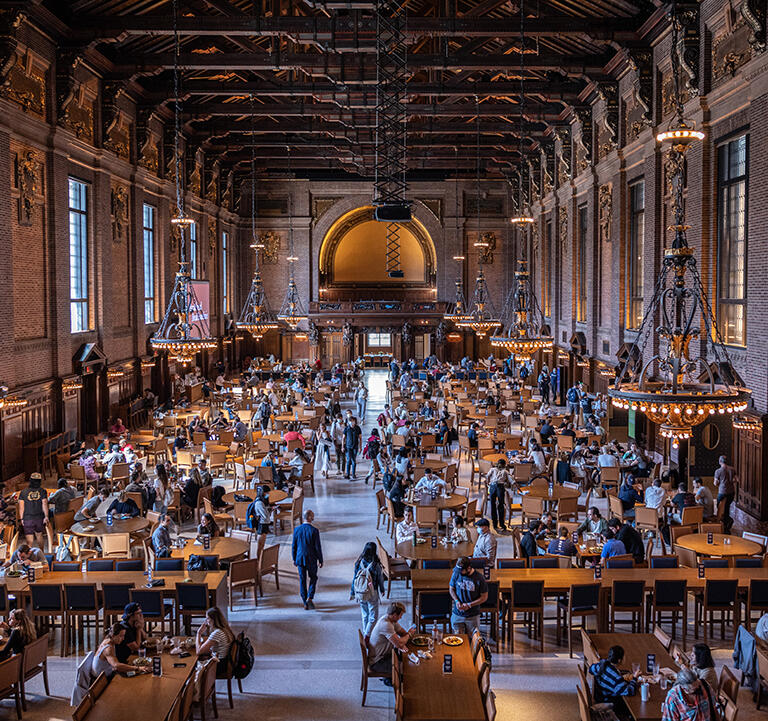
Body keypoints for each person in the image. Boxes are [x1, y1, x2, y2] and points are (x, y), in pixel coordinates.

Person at [367, 602, 415, 679]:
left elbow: (402, 633)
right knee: (405, 669)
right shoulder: (386, 625)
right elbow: (399, 644)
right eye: (400, 615)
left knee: (406, 659)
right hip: (377, 661)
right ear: (394, 615)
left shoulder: (390, 619)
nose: (401, 618)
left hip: (385, 655)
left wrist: (406, 635)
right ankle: (392, 682)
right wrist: (409, 635)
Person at [350, 542, 385, 640]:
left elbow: (354, 579)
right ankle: (367, 635)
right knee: (373, 616)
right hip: (371, 592)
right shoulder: (375, 565)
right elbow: (380, 579)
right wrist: (382, 589)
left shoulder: (359, 562)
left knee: (365, 614)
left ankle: (366, 633)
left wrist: (352, 592)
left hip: (360, 592)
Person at [449, 556, 488, 635]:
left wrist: (469, 605)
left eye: (461, 570)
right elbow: (451, 589)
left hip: (473, 615)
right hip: (457, 614)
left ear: (469, 568)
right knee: (457, 639)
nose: (459, 572)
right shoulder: (456, 574)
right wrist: (456, 601)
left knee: (473, 641)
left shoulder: (479, 578)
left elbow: (484, 597)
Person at [292, 509, 323, 610]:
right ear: (309, 517)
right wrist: (321, 560)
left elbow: (294, 546)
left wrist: (294, 558)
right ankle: (310, 597)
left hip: (300, 558)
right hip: (311, 558)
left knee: (302, 579)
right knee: (313, 577)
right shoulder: (314, 531)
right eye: (313, 515)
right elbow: (317, 547)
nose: (314, 517)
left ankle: (304, 601)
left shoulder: (297, 530)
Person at [195, 607, 235, 673]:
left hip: (219, 665)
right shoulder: (225, 629)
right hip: (225, 661)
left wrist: (198, 633)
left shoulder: (217, 633)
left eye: (207, 618)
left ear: (213, 620)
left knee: (193, 665)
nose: (206, 621)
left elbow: (199, 651)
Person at [18, 473, 49, 547]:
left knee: (29, 541)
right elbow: (44, 504)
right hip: (39, 517)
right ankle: (41, 554)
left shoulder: (23, 492)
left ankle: (29, 555)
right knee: (39, 536)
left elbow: (21, 507)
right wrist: (46, 516)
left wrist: (22, 518)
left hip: (27, 518)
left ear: (30, 481)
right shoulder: (43, 491)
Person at [246, 485, 272, 559]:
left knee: (262, 544)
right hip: (262, 524)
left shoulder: (261, 500)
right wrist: (269, 511)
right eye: (266, 492)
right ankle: (259, 559)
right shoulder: (259, 503)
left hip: (264, 523)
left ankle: (261, 558)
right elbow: (265, 515)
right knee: (260, 545)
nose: (268, 494)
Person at [487, 459, 512, 531]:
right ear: (504, 465)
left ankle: (495, 524)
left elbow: (487, 476)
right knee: (500, 505)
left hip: (493, 486)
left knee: (493, 505)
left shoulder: (493, 469)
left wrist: (488, 484)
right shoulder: (505, 471)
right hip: (500, 487)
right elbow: (511, 480)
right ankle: (501, 523)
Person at [714, 455, 737, 532]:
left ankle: (725, 522)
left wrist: (720, 484)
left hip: (722, 492)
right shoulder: (732, 469)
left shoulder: (718, 471)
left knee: (719, 507)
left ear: (720, 461)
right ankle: (726, 523)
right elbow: (736, 480)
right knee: (727, 507)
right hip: (731, 492)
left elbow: (715, 483)